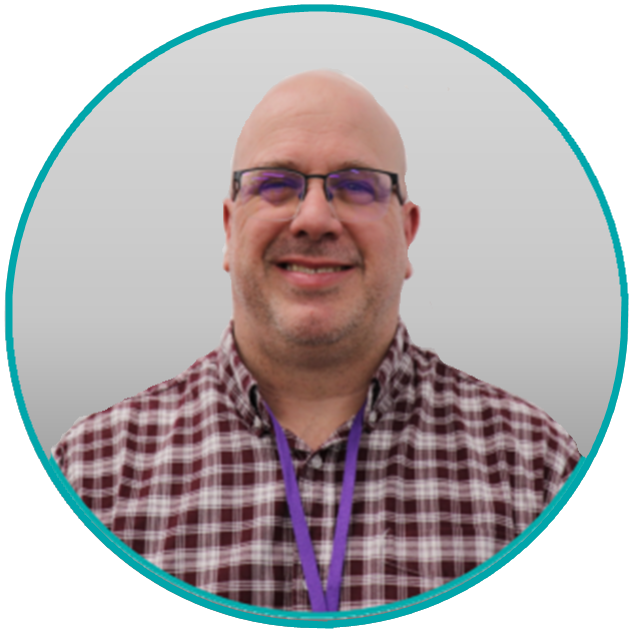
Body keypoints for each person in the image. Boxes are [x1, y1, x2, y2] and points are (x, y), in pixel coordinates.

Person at [52, 70, 581, 612]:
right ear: (229, 228)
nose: (313, 218)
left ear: (407, 233)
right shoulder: (91, 474)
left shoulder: (536, 471)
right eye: (276, 184)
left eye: (357, 186)